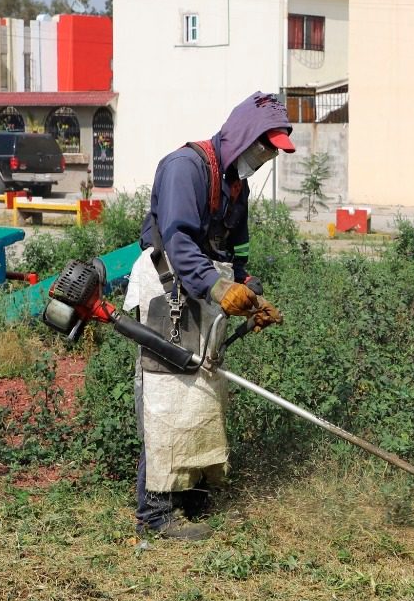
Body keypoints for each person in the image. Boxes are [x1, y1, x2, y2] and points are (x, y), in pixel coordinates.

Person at [124, 92, 292, 541]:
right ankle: (153, 514)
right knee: (167, 396)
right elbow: (178, 243)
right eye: (264, 146)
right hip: (167, 290)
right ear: (241, 136)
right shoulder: (186, 168)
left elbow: (239, 255)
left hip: (201, 293)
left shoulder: (238, 186)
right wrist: (220, 290)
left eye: (273, 149)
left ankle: (192, 497)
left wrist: (253, 296)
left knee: (203, 390)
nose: (267, 155)